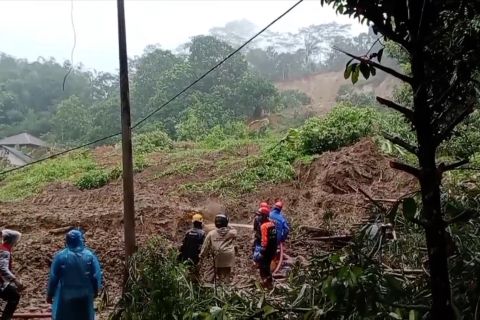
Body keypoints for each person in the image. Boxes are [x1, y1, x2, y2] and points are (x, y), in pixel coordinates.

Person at [47, 229, 102, 320]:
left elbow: (54, 277)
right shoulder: (89, 256)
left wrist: (50, 294)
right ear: (81, 240)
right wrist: (95, 291)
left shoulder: (61, 256)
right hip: (84, 295)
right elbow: (95, 276)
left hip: (65, 296)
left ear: (67, 241)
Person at [200, 213, 237, 284]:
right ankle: (225, 286)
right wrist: (228, 225)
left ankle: (207, 283)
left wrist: (202, 255)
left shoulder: (211, 233)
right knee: (226, 273)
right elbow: (234, 230)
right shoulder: (231, 233)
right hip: (229, 256)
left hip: (217, 256)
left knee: (211, 271)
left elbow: (205, 246)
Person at [0, 229, 23, 320]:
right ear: (13, 240)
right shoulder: (5, 251)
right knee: (14, 296)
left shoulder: (2, 248)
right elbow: (3, 268)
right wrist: (15, 280)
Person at [253, 207, 278, 289]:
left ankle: (266, 283)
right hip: (273, 248)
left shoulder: (264, 226)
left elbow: (264, 240)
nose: (257, 217)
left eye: (259, 215)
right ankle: (269, 282)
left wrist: (262, 251)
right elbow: (274, 238)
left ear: (263, 216)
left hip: (266, 250)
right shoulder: (272, 224)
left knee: (263, 267)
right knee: (267, 265)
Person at [179, 213, 206, 281]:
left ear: (193, 222)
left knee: (186, 273)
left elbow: (183, 245)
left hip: (186, 257)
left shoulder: (188, 232)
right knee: (195, 274)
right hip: (196, 258)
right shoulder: (202, 233)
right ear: (201, 223)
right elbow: (203, 246)